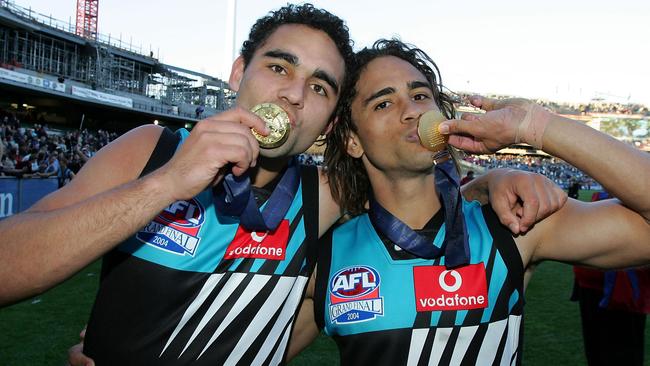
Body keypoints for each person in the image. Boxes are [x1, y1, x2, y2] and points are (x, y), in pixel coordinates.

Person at [6, 5, 559, 365]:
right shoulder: (151, 150)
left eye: (319, 87)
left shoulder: (325, 198)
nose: (295, 95)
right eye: (279, 68)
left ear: (328, 122)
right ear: (237, 72)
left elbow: (412, 184)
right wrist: (167, 183)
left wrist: (489, 180)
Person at [295, 39, 650, 365]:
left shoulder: (513, 225)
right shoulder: (323, 260)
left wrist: (534, 126)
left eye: (420, 95)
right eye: (384, 103)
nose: (412, 111)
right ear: (352, 140)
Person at [571, 190, 650, 366]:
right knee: (597, 353)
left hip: (625, 294)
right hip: (594, 287)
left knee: (621, 354)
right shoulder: (600, 196)